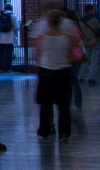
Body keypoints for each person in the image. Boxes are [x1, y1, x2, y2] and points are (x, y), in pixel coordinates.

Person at [30, 7, 80, 140]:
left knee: (45, 104)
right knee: (63, 104)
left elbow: (37, 54)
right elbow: (71, 53)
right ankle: (64, 132)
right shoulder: (67, 37)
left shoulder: (42, 37)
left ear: (48, 22)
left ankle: (44, 130)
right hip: (63, 71)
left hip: (46, 70)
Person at [79, 4, 100, 84]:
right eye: (93, 9)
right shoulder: (96, 20)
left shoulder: (81, 21)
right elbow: (98, 32)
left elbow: (80, 33)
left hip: (85, 42)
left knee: (84, 61)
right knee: (94, 61)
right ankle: (91, 77)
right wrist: (94, 41)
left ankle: (81, 76)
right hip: (95, 43)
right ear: (90, 10)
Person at [0, 4, 17, 73]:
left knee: (0, 53)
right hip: (9, 38)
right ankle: (8, 68)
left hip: (0, 38)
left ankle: (0, 68)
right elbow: (16, 27)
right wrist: (16, 36)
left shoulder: (0, 15)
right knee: (8, 54)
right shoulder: (12, 15)